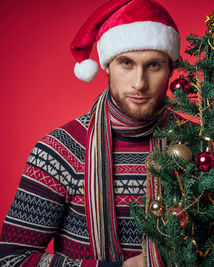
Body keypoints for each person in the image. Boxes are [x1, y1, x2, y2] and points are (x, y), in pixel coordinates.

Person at [0, 0, 180, 266]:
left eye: (153, 65)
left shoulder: (196, 145)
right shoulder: (60, 150)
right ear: (107, 66)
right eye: (126, 63)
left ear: (171, 70)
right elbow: (11, 258)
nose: (139, 83)